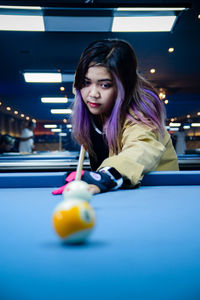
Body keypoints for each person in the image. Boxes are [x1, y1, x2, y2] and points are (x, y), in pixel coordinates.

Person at [53, 39, 178, 195]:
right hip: (123, 193)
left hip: (158, 194)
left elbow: (142, 147)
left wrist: (105, 177)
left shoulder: (139, 113)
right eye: (86, 82)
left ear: (123, 86)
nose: (93, 94)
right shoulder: (94, 108)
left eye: (105, 85)